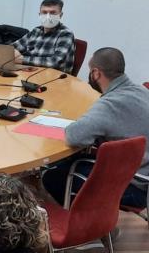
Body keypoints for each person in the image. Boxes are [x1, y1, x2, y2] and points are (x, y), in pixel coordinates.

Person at [43, 48, 149, 211]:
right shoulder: (142, 91)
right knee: (71, 160)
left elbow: (74, 136)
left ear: (96, 73)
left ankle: (90, 223)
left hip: (133, 184)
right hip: (143, 175)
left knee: (51, 177)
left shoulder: (110, 104)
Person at [12, 0, 76, 73]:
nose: (48, 16)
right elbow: (11, 48)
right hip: (30, 75)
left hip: (54, 80)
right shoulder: (36, 31)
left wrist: (21, 59)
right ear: (39, 14)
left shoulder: (66, 34)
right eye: (44, 12)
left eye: (53, 13)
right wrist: (13, 52)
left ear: (60, 15)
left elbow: (54, 62)